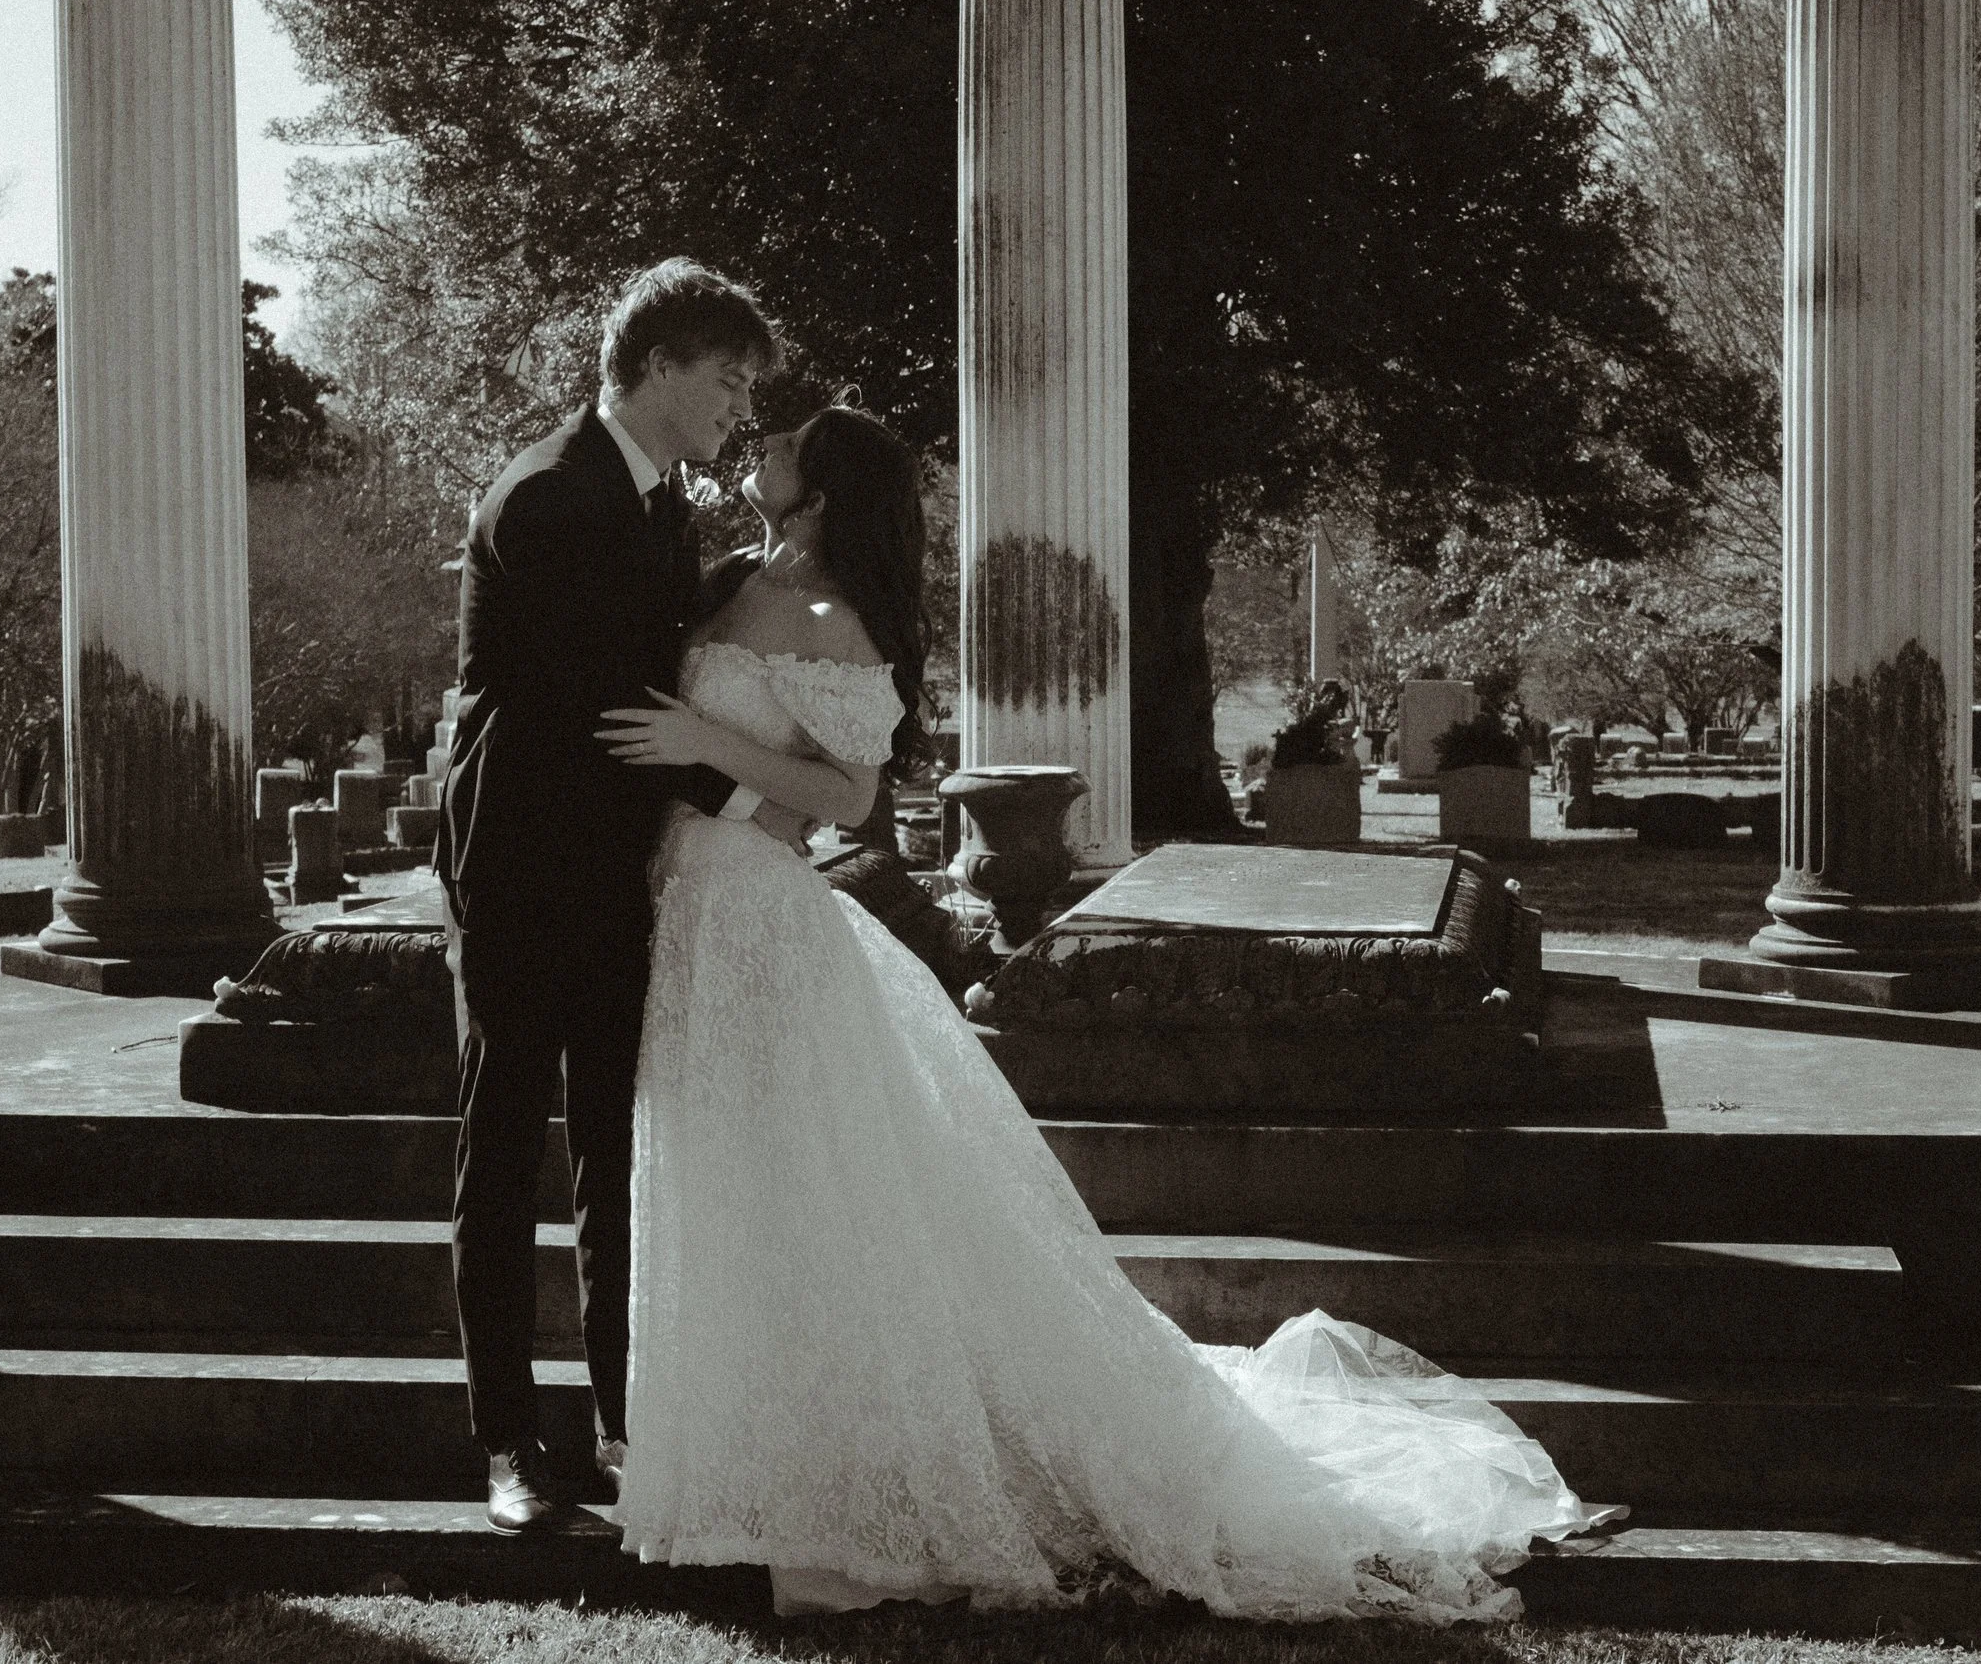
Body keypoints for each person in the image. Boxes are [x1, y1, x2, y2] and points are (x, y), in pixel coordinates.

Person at [595, 404, 1624, 1623]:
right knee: (730, 1194)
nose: (753, 452)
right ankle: (742, 1468)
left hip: (759, 924)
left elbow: (849, 790)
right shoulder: (722, 579)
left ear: (819, 492)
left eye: (780, 448)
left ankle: (847, 1499)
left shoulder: (834, 618)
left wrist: (703, 743)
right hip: (686, 911)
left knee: (802, 1201)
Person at [435, 259, 808, 1534]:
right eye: (723, 379)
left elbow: (669, 683)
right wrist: (766, 807)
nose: (736, 408)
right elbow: (622, 709)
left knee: (611, 1148)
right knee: (502, 1150)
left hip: (616, 871)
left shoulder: (660, 508)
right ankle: (506, 1445)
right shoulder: (549, 494)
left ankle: (624, 1425)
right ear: (653, 368)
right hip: (520, 866)